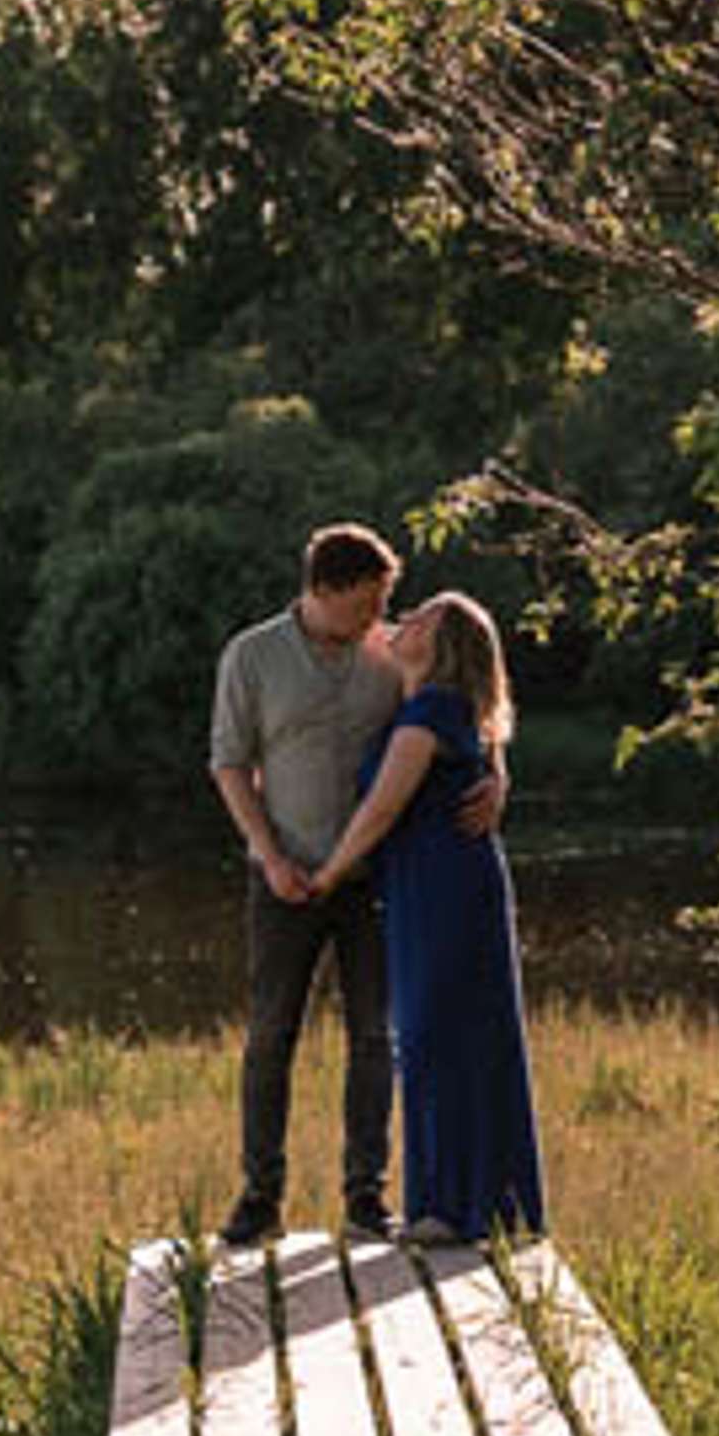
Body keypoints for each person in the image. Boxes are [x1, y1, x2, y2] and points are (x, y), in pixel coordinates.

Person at [207, 521, 471, 1248]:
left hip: (376, 880)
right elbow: (229, 763)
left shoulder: (391, 654)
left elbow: (468, 710)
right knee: (271, 1037)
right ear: (323, 589)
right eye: (367, 601)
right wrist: (270, 857)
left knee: (374, 1037)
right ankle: (259, 1198)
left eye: (384, 600)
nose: (378, 615)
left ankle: (366, 1199)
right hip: (283, 878)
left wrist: (498, 780)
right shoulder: (251, 655)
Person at [309, 586, 542, 1249]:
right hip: (432, 884)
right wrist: (500, 776)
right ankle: (480, 1202)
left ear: (441, 648)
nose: (402, 620)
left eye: (420, 618)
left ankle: (449, 1206)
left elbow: (381, 810)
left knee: (435, 1036)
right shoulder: (435, 705)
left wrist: (327, 875)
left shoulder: (430, 714)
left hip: (443, 887)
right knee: (456, 1033)